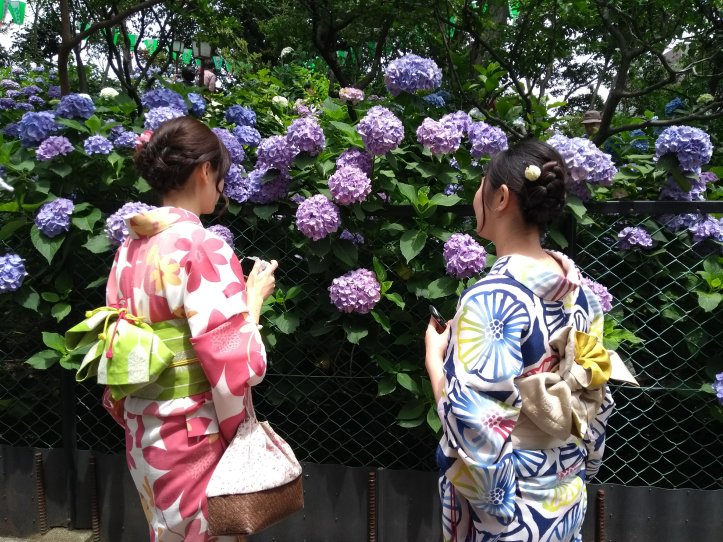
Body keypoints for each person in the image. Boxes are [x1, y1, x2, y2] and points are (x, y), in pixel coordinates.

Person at [425, 138, 618, 541]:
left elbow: (472, 416)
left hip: (511, 510)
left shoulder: (491, 298)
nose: (474, 196)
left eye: (481, 186)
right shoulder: (581, 295)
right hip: (566, 495)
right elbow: (595, 396)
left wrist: (433, 363)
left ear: (500, 199)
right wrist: (581, 468)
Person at [104, 117, 277, 541]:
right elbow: (235, 362)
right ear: (204, 170)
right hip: (191, 433)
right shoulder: (204, 246)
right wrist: (252, 301)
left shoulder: (132, 247)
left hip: (145, 430)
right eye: (221, 176)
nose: (221, 188)